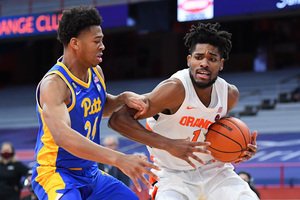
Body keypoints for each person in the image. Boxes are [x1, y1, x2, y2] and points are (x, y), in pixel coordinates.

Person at [109, 22, 259, 200]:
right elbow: (118, 120)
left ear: (221, 64)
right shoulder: (175, 90)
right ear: (189, 60)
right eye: (199, 57)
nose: (204, 63)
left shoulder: (229, 95)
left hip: (215, 171)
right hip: (172, 175)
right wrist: (168, 144)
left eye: (211, 59)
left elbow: (219, 132)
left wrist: (241, 149)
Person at [31, 6, 161, 200]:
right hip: (57, 173)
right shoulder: (54, 84)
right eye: (97, 41)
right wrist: (119, 159)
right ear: (75, 43)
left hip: (90, 172)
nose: (103, 46)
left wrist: (122, 98)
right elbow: (63, 137)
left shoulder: (96, 72)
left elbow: (99, 107)